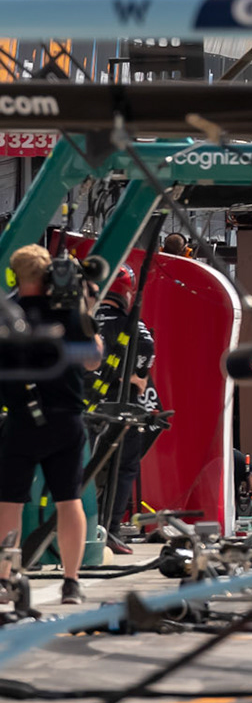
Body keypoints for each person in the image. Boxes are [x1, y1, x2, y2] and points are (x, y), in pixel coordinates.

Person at [0, 246, 102, 603]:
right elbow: (92, 360)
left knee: (8, 502)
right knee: (68, 499)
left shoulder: (8, 314)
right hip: (66, 420)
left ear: (15, 275)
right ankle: (70, 582)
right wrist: (87, 309)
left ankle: (4, 578)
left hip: (22, 419)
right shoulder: (69, 311)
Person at [92, 267, 161, 554]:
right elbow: (146, 347)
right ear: (126, 292)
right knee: (124, 466)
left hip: (84, 405)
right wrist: (134, 375)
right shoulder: (131, 323)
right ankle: (109, 528)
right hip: (120, 408)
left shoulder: (84, 320)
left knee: (84, 467)